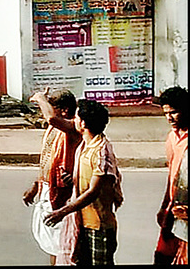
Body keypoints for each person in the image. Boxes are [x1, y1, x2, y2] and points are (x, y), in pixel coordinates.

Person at [44, 99, 124, 266]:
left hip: (98, 226)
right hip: (81, 223)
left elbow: (93, 192)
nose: (74, 121)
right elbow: (85, 182)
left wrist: (62, 212)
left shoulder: (100, 151)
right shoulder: (85, 146)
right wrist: (73, 180)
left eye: (77, 117)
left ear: (83, 123)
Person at [23, 88, 82, 265]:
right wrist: (37, 185)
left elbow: (51, 118)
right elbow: (48, 160)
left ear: (64, 110)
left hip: (63, 194)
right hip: (48, 189)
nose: (45, 112)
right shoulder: (53, 129)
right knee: (52, 244)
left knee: (62, 244)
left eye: (51, 107)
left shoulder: (73, 127)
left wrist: (40, 99)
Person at [154, 86, 188, 265]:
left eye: (173, 112)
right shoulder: (172, 138)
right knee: (163, 256)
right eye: (166, 113)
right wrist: (164, 206)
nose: (169, 118)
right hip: (174, 207)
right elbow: (172, 175)